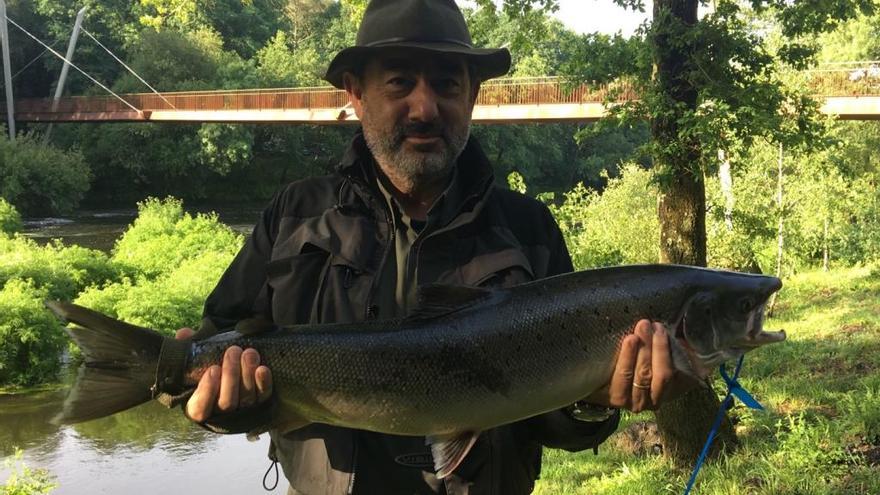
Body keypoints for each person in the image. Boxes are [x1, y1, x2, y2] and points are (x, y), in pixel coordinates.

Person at [176, 1, 693, 493]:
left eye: (447, 84)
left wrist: (595, 404)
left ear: (471, 96)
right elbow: (212, 350)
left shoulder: (528, 228)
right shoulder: (294, 215)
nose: (425, 107)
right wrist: (212, 404)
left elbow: (555, 425)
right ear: (356, 93)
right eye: (400, 82)